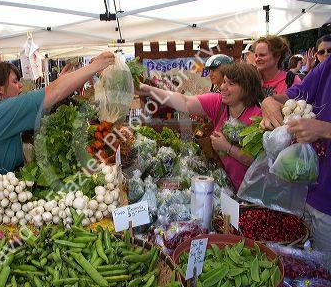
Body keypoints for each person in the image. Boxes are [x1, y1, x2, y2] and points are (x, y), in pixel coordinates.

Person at [0, 52, 115, 219]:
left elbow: (45, 100)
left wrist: (63, 80)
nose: (20, 86)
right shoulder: (0, 112)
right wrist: (95, 66)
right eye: (14, 81)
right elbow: (52, 92)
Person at [137, 63, 264, 191]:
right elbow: (184, 102)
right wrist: (147, 89)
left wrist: (227, 147)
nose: (223, 87)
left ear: (247, 88)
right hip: (226, 186)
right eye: (224, 81)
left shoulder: (258, 116)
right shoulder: (219, 103)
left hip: (252, 190)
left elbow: (256, 161)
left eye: (231, 84)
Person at [260, 55, 331, 252]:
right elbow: (296, 95)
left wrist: (324, 129)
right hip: (308, 192)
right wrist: (269, 101)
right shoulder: (327, 64)